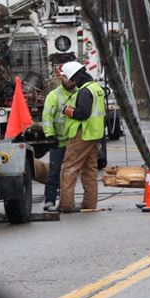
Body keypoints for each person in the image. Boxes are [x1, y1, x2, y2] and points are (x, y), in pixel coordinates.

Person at [57, 61, 106, 213]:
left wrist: (66, 110)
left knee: (68, 168)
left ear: (72, 76)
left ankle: (65, 205)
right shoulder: (96, 88)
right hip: (94, 134)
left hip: (82, 134)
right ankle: (90, 204)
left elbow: (82, 114)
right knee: (89, 170)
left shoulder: (84, 92)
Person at [40, 67, 76, 212]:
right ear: (61, 78)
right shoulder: (54, 96)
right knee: (54, 171)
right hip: (59, 141)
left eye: (72, 78)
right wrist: (49, 135)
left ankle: (68, 201)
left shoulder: (80, 93)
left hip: (75, 141)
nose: (69, 81)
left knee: (71, 173)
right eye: (66, 78)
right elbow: (47, 116)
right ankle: (50, 200)